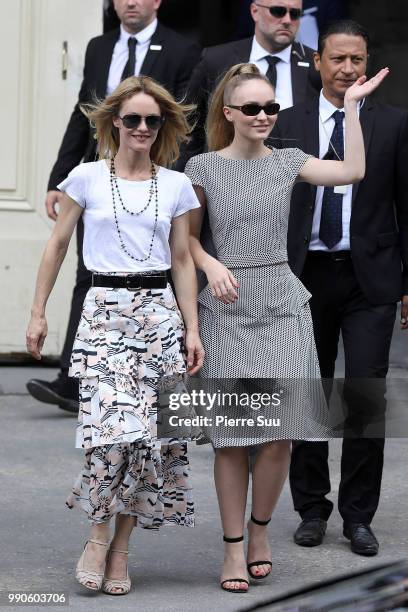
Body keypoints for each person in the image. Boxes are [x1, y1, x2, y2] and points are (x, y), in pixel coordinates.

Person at [183, 61, 387, 593]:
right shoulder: (203, 167)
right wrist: (210, 264)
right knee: (231, 438)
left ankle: (259, 532)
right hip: (227, 305)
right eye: (251, 108)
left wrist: (350, 110)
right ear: (228, 113)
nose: (263, 115)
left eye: (271, 107)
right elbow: (185, 241)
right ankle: (230, 549)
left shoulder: (290, 160)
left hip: (283, 300)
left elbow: (353, 173)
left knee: (279, 437)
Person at [26, 75, 204, 595]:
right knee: (110, 437)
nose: (143, 128)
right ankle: (98, 536)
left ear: (163, 125)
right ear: (114, 124)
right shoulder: (83, 177)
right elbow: (57, 246)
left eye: (153, 120)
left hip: (159, 319)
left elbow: (181, 260)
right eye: (133, 119)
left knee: (149, 442)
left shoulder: (175, 185)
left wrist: (192, 329)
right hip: (103, 314)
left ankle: (122, 550)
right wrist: (38, 313)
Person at [272, 19, 408, 556]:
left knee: (364, 395)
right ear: (318, 62)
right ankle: (311, 508)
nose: (349, 68)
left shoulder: (394, 125)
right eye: (338, 59)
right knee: (309, 391)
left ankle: (358, 516)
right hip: (304, 277)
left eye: (358, 59)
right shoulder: (286, 123)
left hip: (369, 276)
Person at [27, 0, 201, 413]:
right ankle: (73, 379)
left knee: (156, 438)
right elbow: (81, 112)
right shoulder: (98, 47)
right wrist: (60, 175)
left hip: (155, 185)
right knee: (89, 272)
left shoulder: (181, 49)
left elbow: (174, 120)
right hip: (101, 175)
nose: (131, 2)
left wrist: (158, 180)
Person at [181, 0, 321, 164]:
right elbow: (189, 124)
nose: (287, 20)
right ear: (255, 11)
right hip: (225, 174)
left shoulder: (316, 66)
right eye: (278, 11)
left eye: (295, 13)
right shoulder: (216, 59)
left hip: (294, 178)